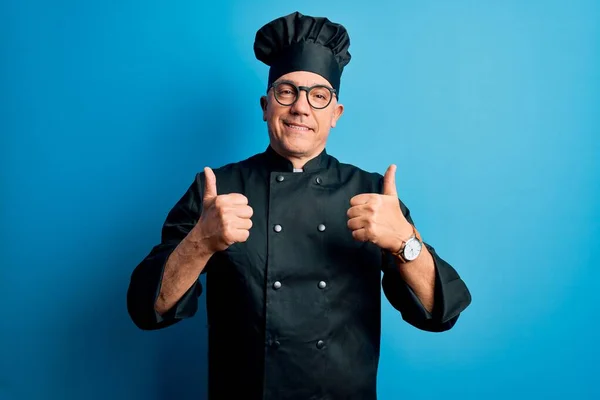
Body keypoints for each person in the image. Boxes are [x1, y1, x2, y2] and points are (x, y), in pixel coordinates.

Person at [127, 11, 472, 400]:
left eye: (319, 95)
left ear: (335, 114)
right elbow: (147, 308)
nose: (301, 108)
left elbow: (442, 314)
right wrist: (201, 242)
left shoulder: (373, 194)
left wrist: (404, 242)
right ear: (265, 105)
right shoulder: (216, 190)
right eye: (286, 91)